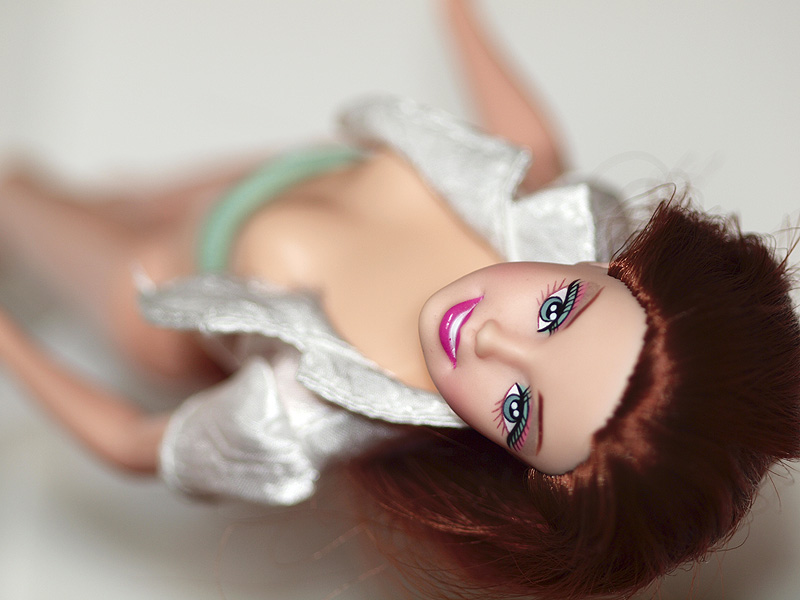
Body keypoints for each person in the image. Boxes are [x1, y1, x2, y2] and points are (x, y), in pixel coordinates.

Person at [0, 1, 798, 598]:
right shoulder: (551, 211)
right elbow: (527, 131)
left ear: (516, 463)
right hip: (277, 176)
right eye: (554, 311)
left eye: (517, 408)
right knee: (108, 196)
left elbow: (130, 443)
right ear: (605, 268)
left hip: (155, 281)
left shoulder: (307, 410)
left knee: (18, 197)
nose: (489, 341)